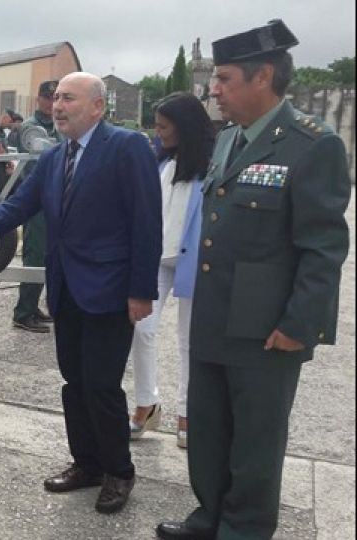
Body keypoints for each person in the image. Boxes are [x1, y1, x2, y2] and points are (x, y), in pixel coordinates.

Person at [156, 20, 351, 540]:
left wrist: (298, 326)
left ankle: (243, 529)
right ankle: (210, 515)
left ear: (262, 76)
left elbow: (324, 248)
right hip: (216, 313)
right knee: (211, 430)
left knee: (256, 441)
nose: (213, 90)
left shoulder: (313, 145)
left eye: (223, 79)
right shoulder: (228, 140)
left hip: (267, 327)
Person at [0, 72, 162, 514]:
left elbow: (146, 223)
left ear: (97, 106)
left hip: (111, 292)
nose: (58, 106)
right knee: (74, 382)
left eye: (68, 98)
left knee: (102, 385)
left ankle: (118, 471)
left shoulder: (127, 148)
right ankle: (86, 464)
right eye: (55, 98)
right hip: (67, 289)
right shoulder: (53, 158)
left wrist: (141, 291)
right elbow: (19, 206)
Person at [128, 92, 215, 449]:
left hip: (195, 265)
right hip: (155, 261)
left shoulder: (213, 165)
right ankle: (147, 404)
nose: (158, 132)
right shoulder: (160, 161)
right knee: (141, 329)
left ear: (185, 126)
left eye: (164, 126)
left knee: (189, 343)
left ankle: (189, 414)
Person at [12, 80, 61, 333]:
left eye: (58, 97)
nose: (54, 102)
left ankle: (33, 307)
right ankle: (23, 312)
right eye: (50, 97)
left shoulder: (57, 125)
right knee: (35, 254)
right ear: (40, 99)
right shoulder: (30, 128)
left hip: (55, 198)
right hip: (38, 200)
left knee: (47, 256)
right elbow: (34, 167)